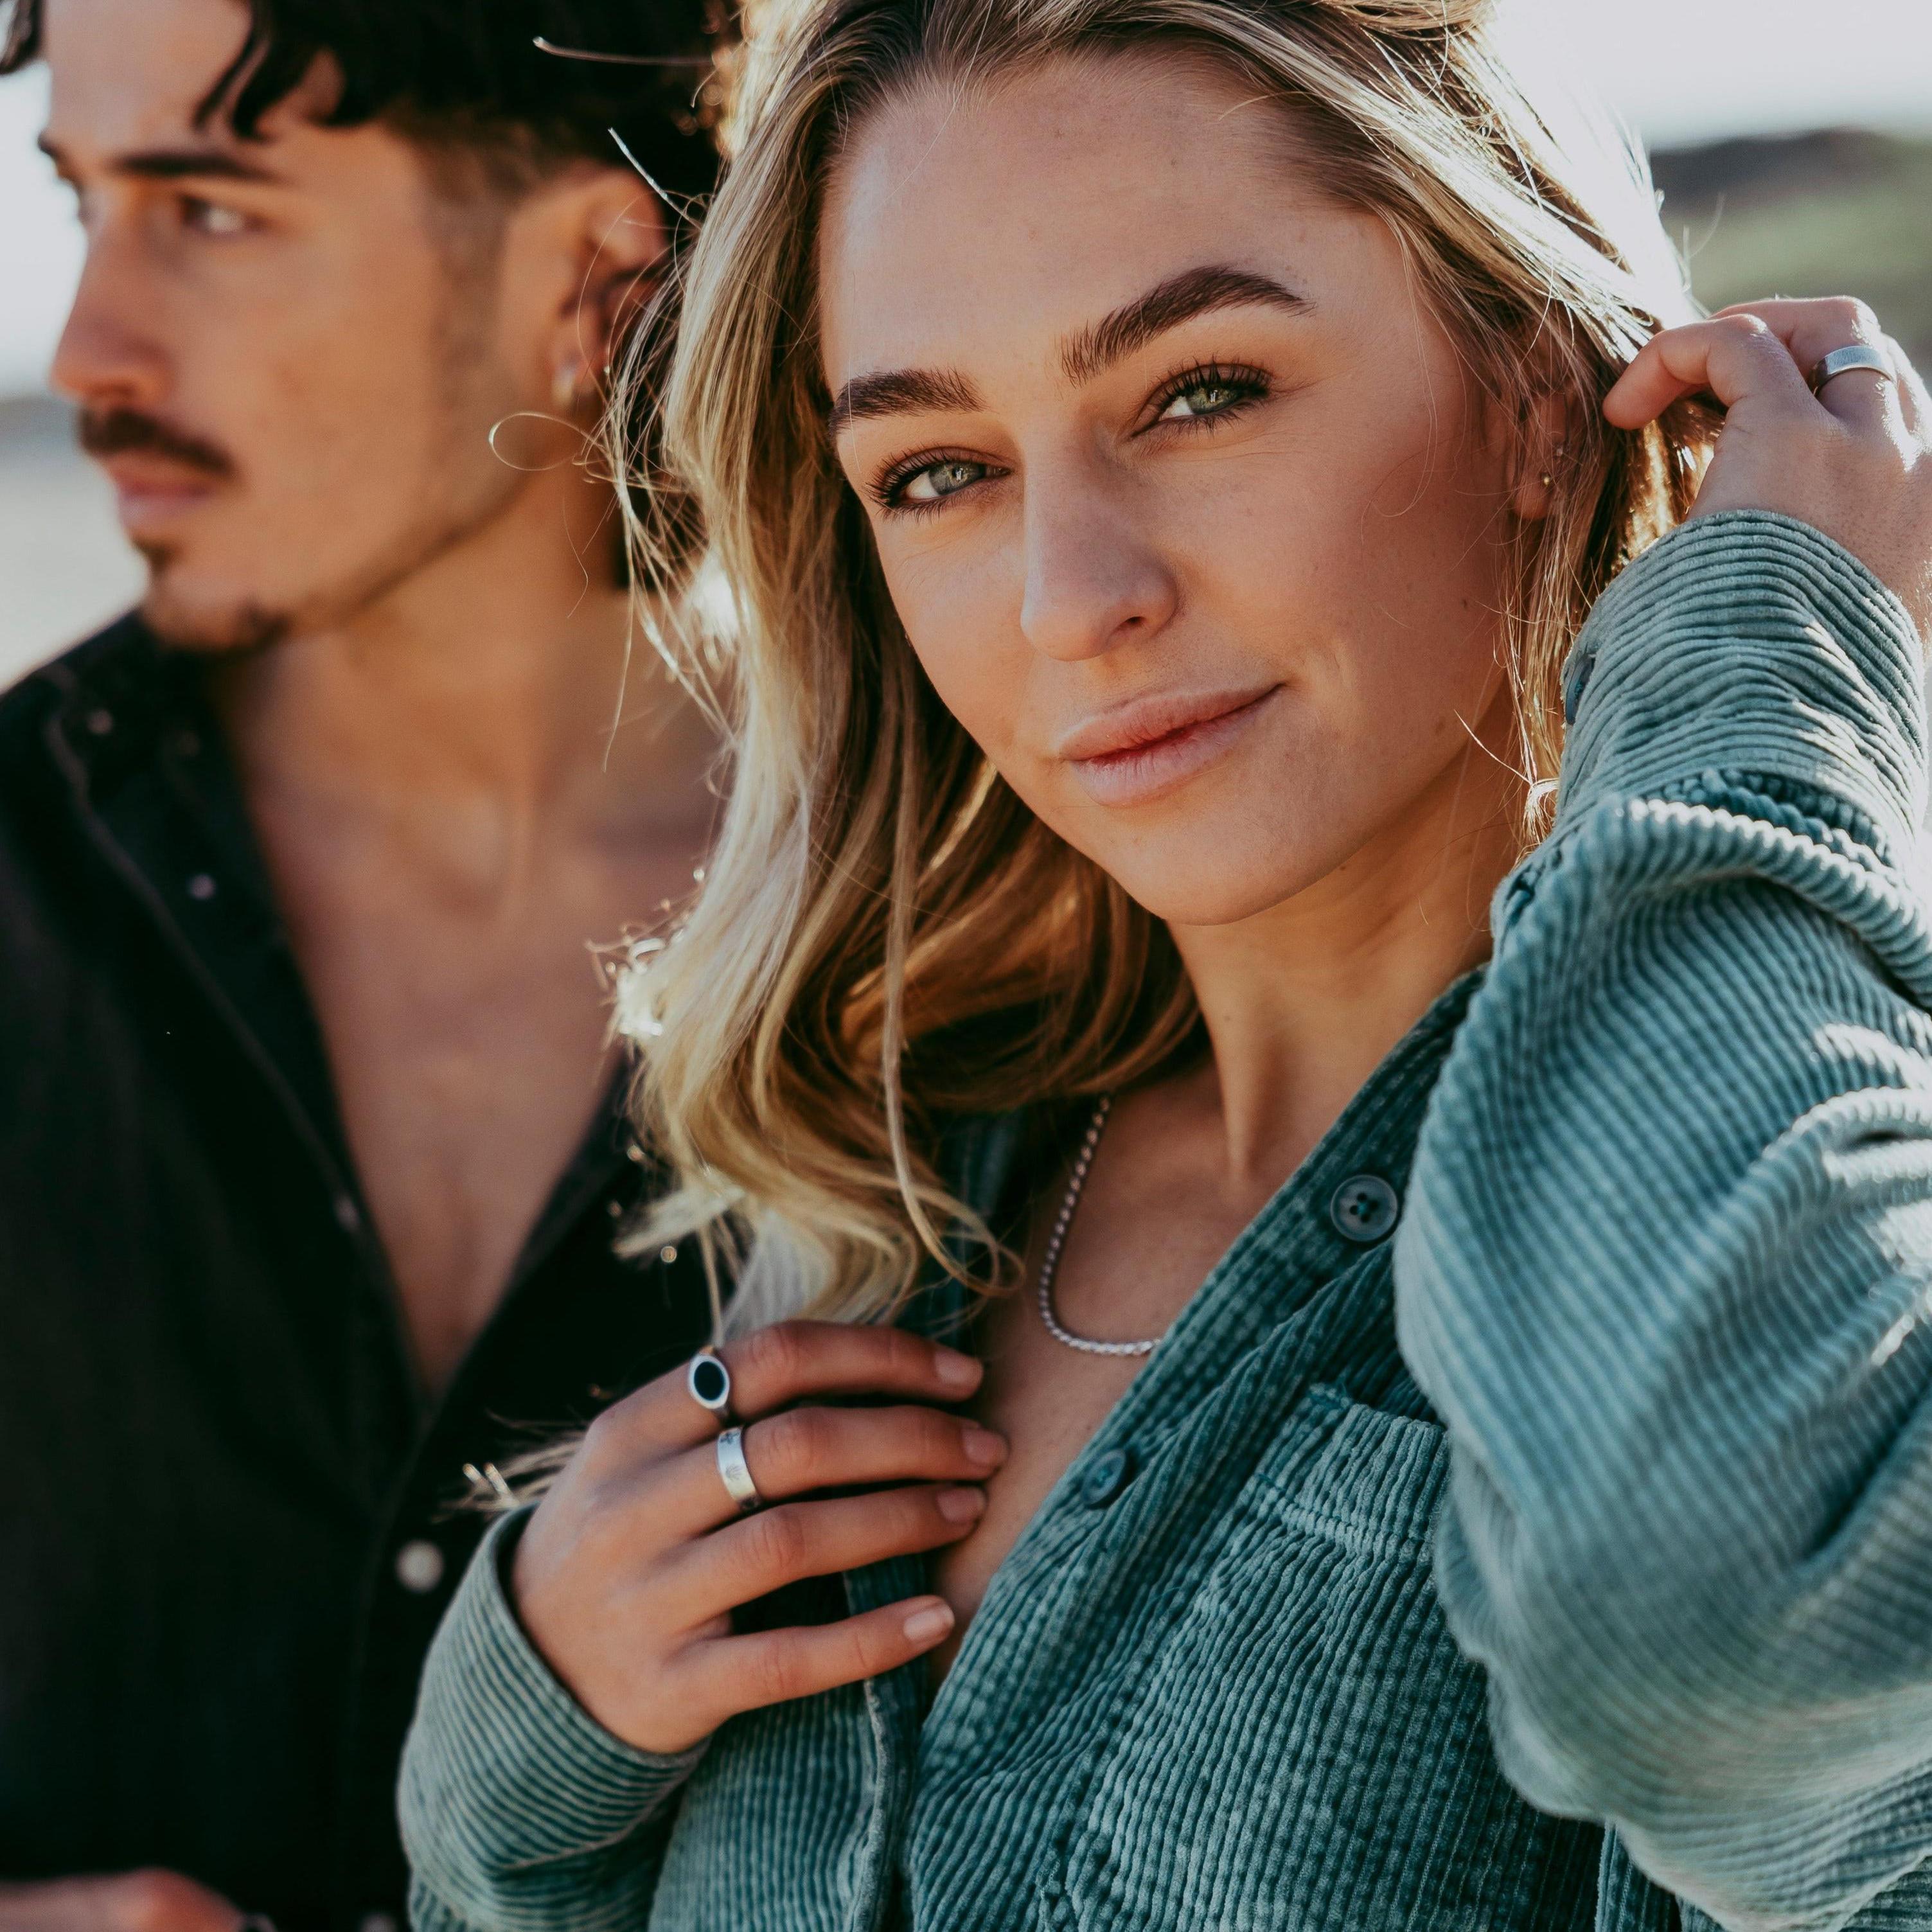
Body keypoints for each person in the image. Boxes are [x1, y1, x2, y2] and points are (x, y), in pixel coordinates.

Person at [402, 0, 1932, 1923]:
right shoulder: (896, 1205)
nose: (1071, 599)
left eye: (1200, 392)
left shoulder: (1864, 1232)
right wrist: (512, 1745)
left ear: (1543, 397)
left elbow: (1722, 1651)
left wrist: (1764, 667)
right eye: (939, 470)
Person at [0, 0, 735, 1924]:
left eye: (217, 210)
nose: (91, 350)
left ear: (590, 268)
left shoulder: (987, 923)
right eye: (84, 205)